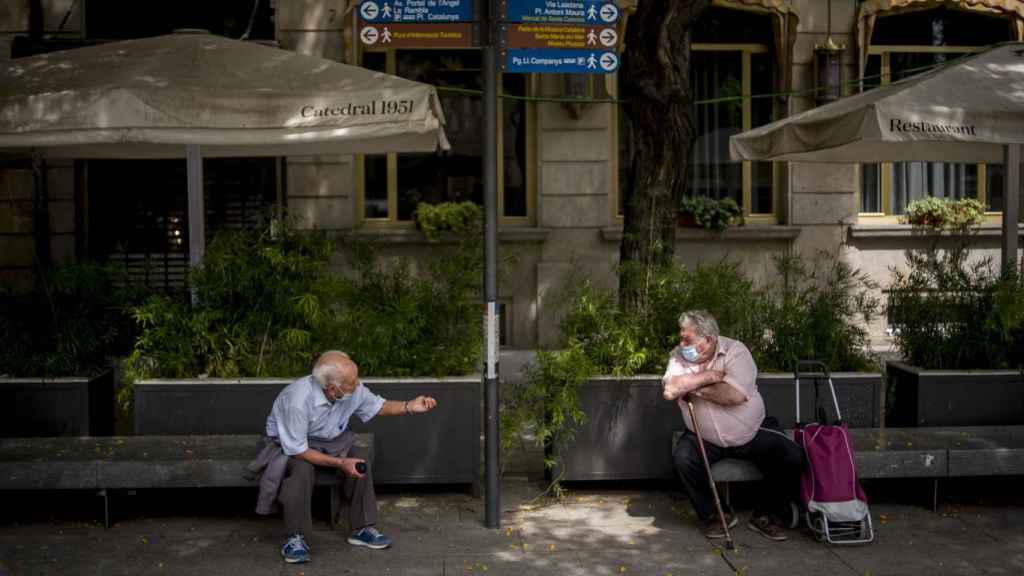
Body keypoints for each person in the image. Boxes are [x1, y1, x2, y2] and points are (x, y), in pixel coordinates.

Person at [246, 350, 438, 564]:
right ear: (331, 388)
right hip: (291, 444)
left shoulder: (351, 388)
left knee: (360, 459)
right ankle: (295, 537)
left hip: (331, 439)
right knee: (302, 471)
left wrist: (409, 406)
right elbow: (298, 449)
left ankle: (362, 528)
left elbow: (378, 406)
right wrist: (340, 463)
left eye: (355, 379)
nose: (357, 385)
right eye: (350, 383)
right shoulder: (298, 400)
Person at [662, 311, 803, 541]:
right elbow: (669, 390)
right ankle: (717, 515)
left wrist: (689, 386)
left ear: (707, 339)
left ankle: (765, 514)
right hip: (703, 436)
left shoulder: (736, 351)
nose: (681, 344)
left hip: (751, 430)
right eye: (681, 337)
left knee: (791, 456)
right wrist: (710, 377)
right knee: (683, 459)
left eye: (687, 339)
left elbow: (733, 395)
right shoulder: (678, 356)